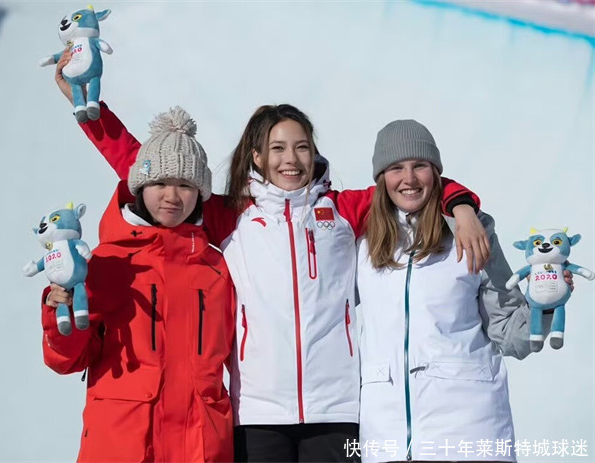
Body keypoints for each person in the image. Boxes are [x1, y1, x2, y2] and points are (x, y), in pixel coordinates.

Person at [50, 51, 489, 462]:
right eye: (277, 148)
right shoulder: (233, 215)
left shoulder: (343, 210)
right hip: (257, 414)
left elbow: (406, 185)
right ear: (257, 156)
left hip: (337, 409)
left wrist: (461, 205)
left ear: (313, 152)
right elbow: (151, 169)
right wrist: (90, 111)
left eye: (301, 147)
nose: (290, 159)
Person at [356, 120, 571, 463]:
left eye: (420, 165)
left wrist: (542, 305)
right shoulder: (362, 242)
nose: (409, 179)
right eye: (396, 168)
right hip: (386, 439)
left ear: (436, 172)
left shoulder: (470, 233)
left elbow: (508, 332)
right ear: (381, 178)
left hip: (469, 431)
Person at [41, 107, 235, 462]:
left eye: (185, 185)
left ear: (201, 193)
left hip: (201, 447)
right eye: (160, 183)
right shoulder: (107, 262)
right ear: (140, 188)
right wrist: (59, 312)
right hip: (122, 444)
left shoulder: (218, 269)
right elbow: (66, 360)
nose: (172, 196)